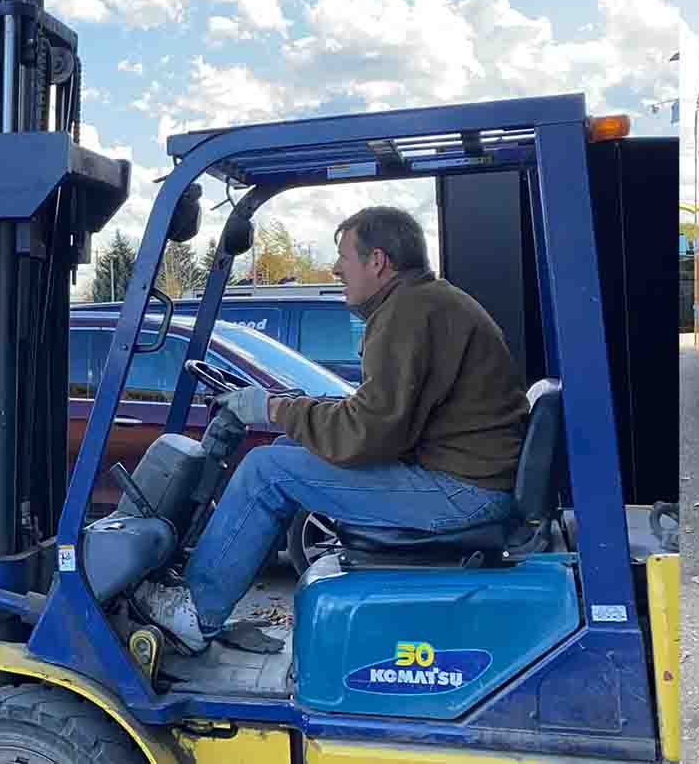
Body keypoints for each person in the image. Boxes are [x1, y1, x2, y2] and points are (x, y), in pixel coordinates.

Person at [132, 206, 529, 653]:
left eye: (343, 256)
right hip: (467, 482)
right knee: (285, 450)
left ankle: (196, 612)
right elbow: (378, 413)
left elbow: (370, 431)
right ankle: (207, 596)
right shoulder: (424, 303)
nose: (336, 268)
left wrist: (275, 408)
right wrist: (289, 412)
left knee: (269, 469)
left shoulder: (408, 314)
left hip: (461, 494)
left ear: (377, 261)